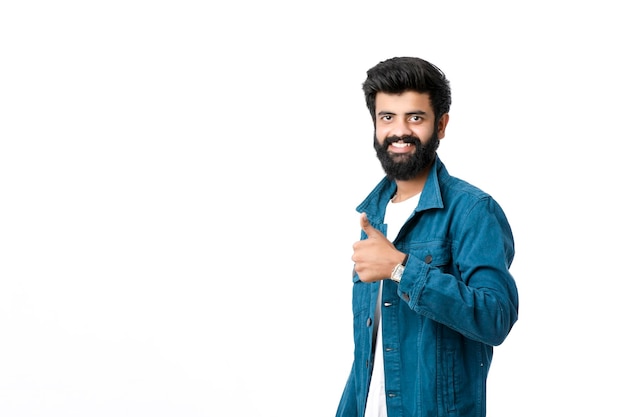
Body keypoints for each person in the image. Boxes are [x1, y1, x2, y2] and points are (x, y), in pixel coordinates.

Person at [335, 57, 519, 417]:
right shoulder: (373, 218)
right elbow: (368, 357)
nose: (399, 131)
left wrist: (403, 268)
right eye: (387, 117)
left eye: (414, 117)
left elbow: (495, 318)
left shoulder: (472, 211)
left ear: (441, 124)